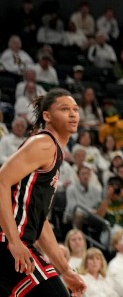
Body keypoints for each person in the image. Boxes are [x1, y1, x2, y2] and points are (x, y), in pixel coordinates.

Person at [0, 88, 88, 297]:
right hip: (8, 241)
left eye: (75, 109)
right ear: (47, 116)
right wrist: (14, 241)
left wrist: (65, 269)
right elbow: (1, 181)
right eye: (65, 109)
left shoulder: (53, 152)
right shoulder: (44, 143)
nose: (73, 113)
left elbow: (40, 222)